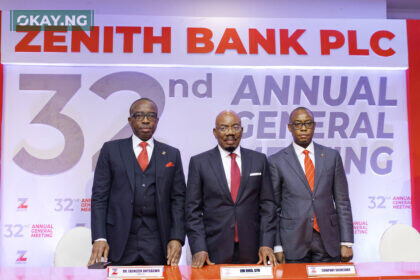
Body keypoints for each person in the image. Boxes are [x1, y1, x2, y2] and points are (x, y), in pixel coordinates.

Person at [88, 98, 186, 266]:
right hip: (119, 240)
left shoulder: (171, 154)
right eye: (139, 115)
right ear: (130, 120)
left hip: (158, 242)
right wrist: (99, 236)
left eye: (151, 115)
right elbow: (99, 197)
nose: (146, 120)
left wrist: (176, 237)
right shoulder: (111, 150)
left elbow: (178, 200)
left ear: (157, 120)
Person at [185, 110, 278, 268]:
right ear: (215, 132)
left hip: (254, 250)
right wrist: (199, 248)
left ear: (242, 130)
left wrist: (267, 243)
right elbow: (192, 211)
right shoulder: (199, 163)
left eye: (235, 127)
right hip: (212, 250)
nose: (230, 132)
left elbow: (268, 206)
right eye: (223, 128)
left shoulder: (259, 160)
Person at [268, 107, 354, 263]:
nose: (303, 128)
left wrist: (346, 242)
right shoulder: (276, 161)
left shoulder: (331, 157)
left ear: (314, 126)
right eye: (297, 124)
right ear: (289, 127)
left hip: (327, 240)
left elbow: (342, 201)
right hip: (292, 242)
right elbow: (273, 207)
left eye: (308, 123)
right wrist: (277, 245)